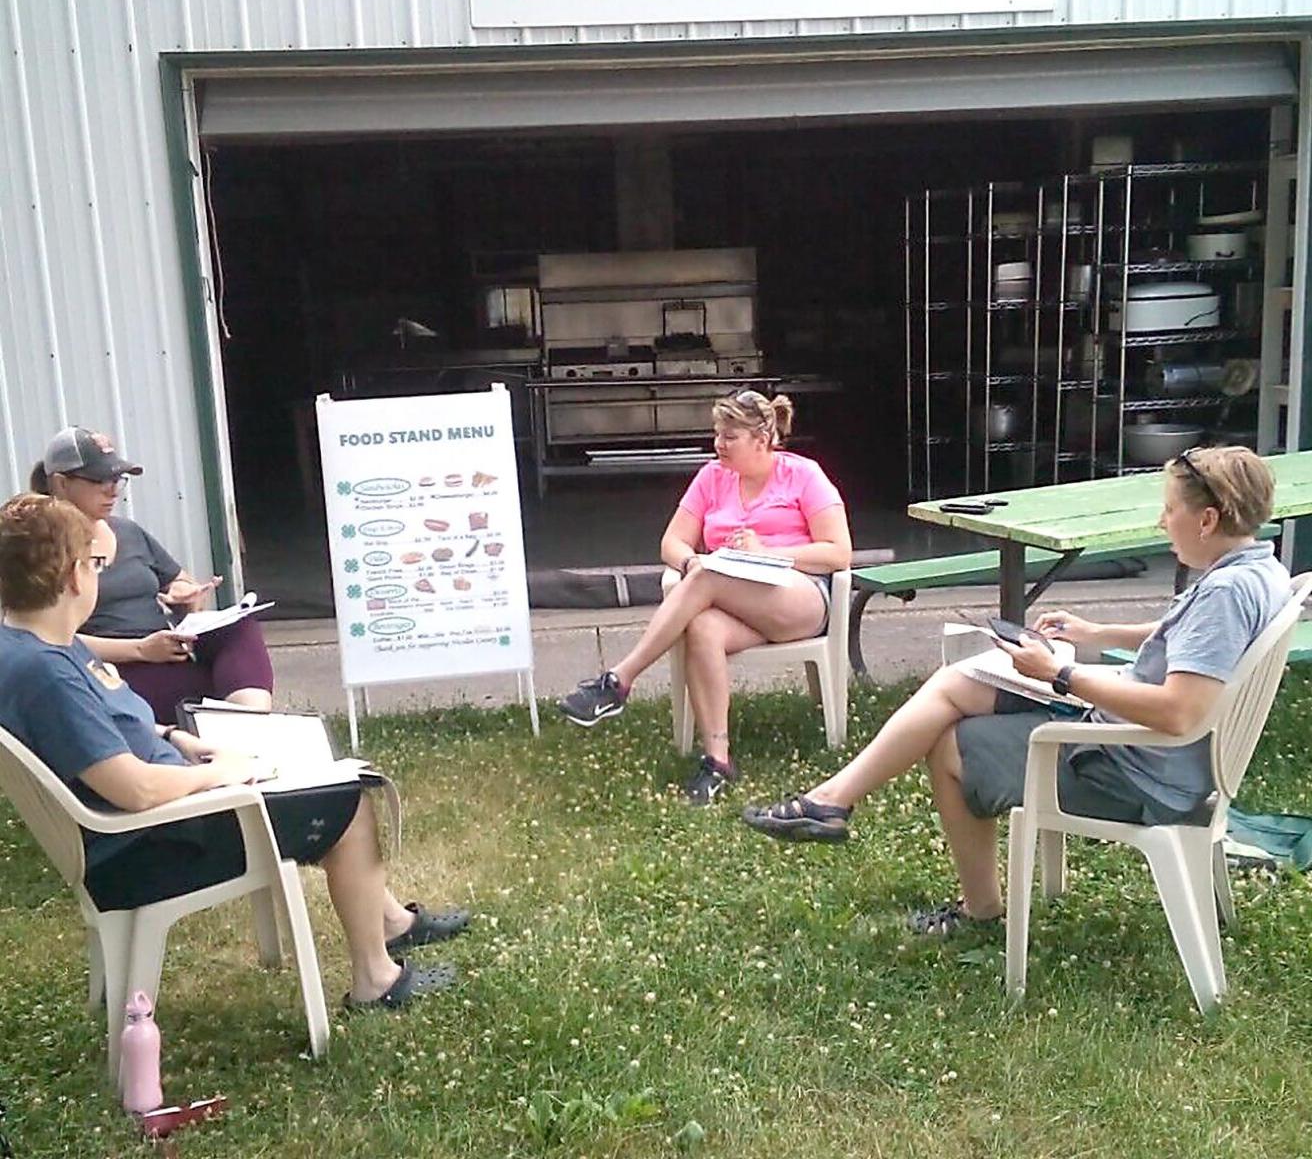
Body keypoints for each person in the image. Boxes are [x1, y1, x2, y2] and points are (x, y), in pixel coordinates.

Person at [744, 446, 1289, 935]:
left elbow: (1177, 711)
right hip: (1156, 759)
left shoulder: (1224, 594)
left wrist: (1061, 675)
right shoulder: (1256, 571)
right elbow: (1189, 640)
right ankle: (831, 801)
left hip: (1136, 774)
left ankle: (973, 905)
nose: (1162, 521)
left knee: (950, 743)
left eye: (1170, 510)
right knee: (963, 683)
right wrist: (1097, 634)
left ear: (1208, 518)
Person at [0, 492, 470, 1008]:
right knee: (351, 799)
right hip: (156, 845)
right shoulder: (49, 675)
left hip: (160, 820)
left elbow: (114, 729)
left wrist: (177, 738)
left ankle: (388, 922)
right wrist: (220, 773)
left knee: (310, 767)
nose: (97, 574)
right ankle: (375, 979)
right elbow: (134, 788)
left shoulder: (39, 645)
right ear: (72, 577)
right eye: (94, 564)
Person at [558, 390, 852, 804]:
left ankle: (619, 681)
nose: (718, 445)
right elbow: (672, 542)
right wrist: (690, 564)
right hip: (731, 594)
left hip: (800, 595)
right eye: (717, 434)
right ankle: (718, 761)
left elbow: (839, 552)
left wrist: (769, 553)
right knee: (701, 624)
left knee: (710, 575)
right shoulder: (712, 477)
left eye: (730, 436)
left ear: (762, 438)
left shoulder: (803, 475)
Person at [30, 426, 275, 725]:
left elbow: (177, 578)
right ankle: (238, 733)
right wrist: (141, 650)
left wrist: (185, 594)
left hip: (166, 646)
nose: (113, 490)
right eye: (98, 480)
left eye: (117, 479)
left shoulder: (128, 532)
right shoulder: (39, 546)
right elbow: (43, 638)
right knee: (190, 690)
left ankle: (253, 727)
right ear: (60, 483)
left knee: (241, 626)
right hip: (113, 666)